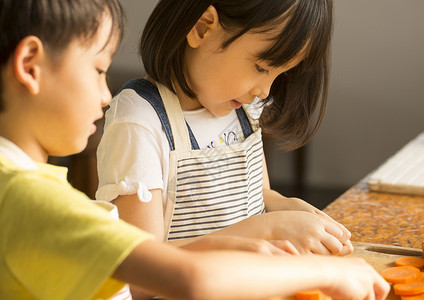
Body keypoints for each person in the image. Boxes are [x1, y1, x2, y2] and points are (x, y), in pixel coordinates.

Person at [0, 1, 391, 300]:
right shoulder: (31, 198)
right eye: (99, 70)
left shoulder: (34, 188)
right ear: (31, 66)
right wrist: (323, 270)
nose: (106, 96)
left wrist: (287, 210)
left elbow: (256, 198)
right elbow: (178, 276)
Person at [97, 0, 352, 258]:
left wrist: (284, 207)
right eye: (262, 67)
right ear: (201, 28)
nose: (264, 90)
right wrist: (266, 228)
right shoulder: (140, 120)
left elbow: (259, 192)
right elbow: (141, 266)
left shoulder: (244, 107)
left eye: (280, 73)